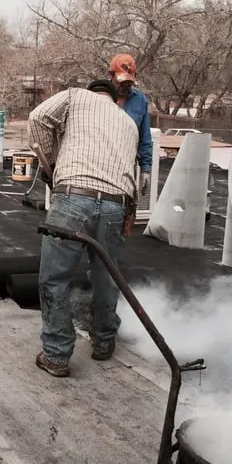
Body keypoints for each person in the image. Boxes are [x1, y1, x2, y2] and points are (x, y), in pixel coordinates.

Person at [28, 79, 140, 378]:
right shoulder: (129, 121)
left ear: (92, 93)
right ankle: (104, 341)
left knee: (54, 277)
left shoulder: (76, 97)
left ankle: (56, 354)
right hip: (116, 205)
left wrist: (51, 165)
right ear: (115, 99)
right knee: (106, 275)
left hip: (74, 198)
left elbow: (38, 118)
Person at [109, 53, 153, 198]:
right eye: (121, 82)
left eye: (128, 82)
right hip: (102, 164)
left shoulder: (140, 101)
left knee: (126, 210)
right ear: (111, 75)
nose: (125, 86)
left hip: (127, 166)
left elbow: (144, 138)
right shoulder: (99, 97)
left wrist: (145, 169)